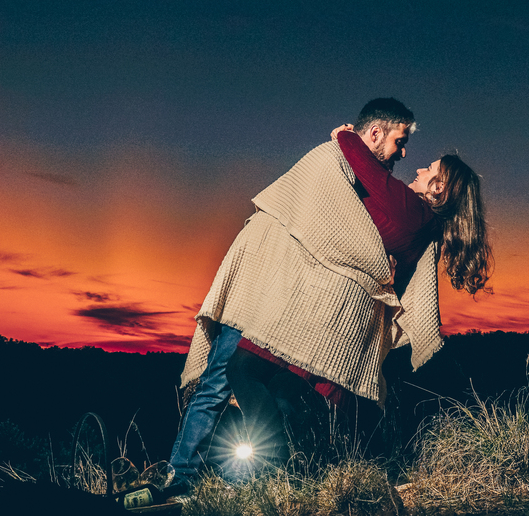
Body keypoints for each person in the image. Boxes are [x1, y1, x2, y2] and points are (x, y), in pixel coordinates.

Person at [160, 98, 419, 496]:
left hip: (289, 302)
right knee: (219, 380)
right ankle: (181, 479)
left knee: (278, 391)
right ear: (375, 133)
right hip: (260, 282)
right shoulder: (329, 161)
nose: (402, 153)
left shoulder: (364, 180)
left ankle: (261, 483)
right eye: (399, 141)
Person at [224, 121, 491, 468]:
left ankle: (276, 473)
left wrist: (346, 137)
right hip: (320, 309)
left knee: (252, 375)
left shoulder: (416, 214)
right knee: (275, 389)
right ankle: (284, 473)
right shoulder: (416, 215)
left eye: (432, 170)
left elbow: (371, 177)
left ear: (439, 188)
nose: (421, 168)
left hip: (335, 316)